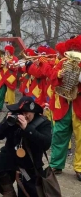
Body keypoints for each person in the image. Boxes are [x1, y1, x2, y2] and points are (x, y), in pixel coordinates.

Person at [0, 96, 52, 196]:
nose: (24, 116)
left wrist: (27, 128)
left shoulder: (43, 123)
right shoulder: (14, 117)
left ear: (34, 111)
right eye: (22, 112)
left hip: (30, 162)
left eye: (27, 113)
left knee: (29, 192)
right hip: (11, 155)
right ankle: (8, 192)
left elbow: (46, 143)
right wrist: (6, 122)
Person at [49, 36, 81, 181]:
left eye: (77, 49)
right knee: (59, 134)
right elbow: (51, 76)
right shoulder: (62, 62)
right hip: (64, 103)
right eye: (72, 49)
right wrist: (58, 74)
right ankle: (56, 164)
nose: (74, 52)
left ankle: (79, 167)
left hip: (79, 103)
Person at [0, 44, 18, 112]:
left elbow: (15, 68)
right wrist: (1, 63)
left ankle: (12, 107)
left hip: (10, 78)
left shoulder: (15, 58)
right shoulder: (2, 57)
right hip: (2, 78)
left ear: (11, 52)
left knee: (10, 94)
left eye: (8, 51)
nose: (6, 52)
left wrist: (8, 63)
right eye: (6, 51)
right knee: (1, 93)